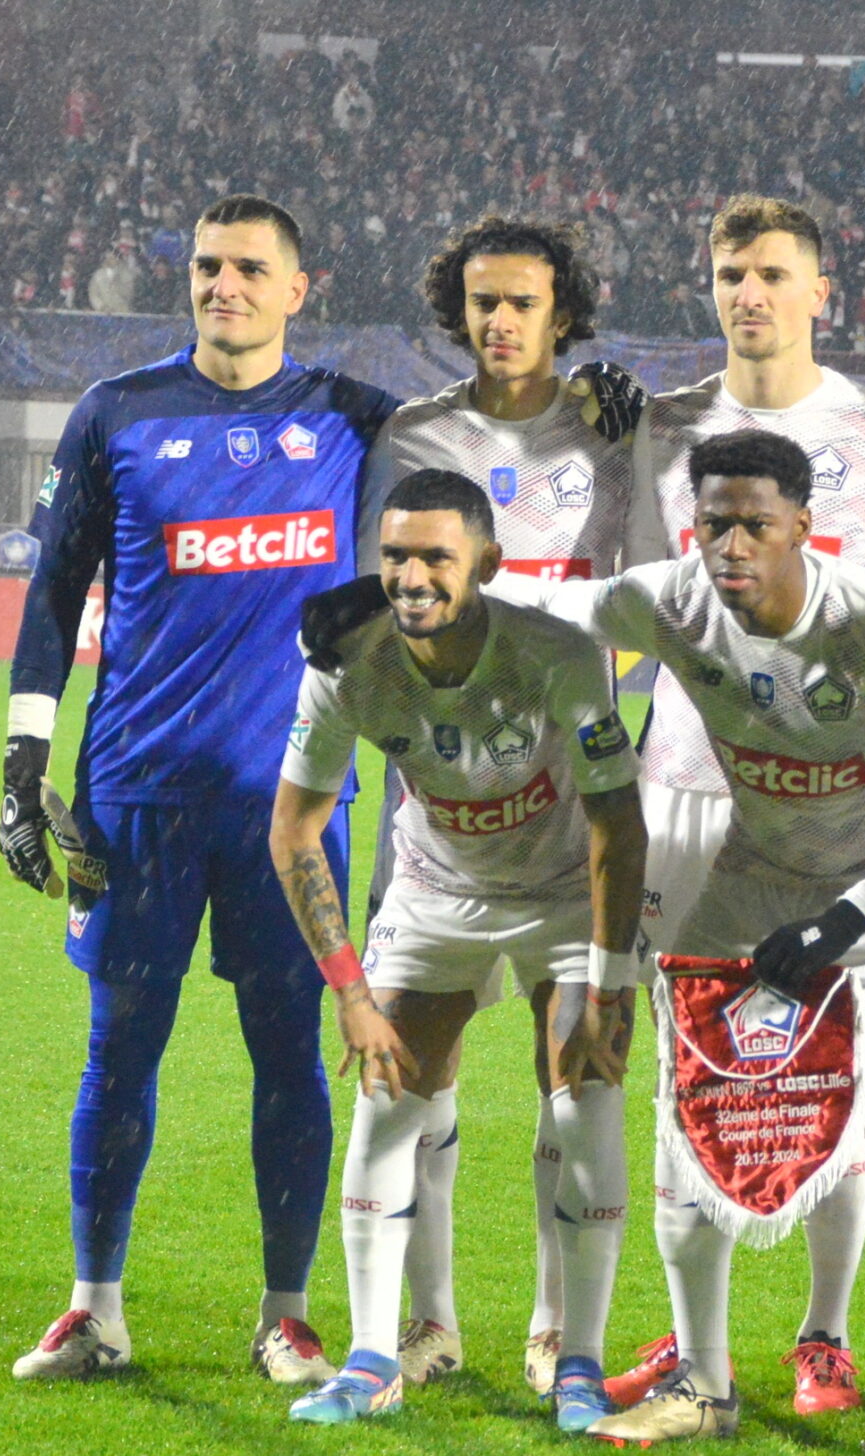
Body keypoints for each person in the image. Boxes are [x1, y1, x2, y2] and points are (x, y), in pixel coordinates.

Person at [0, 194, 397, 1384]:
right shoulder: (115, 412)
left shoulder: (357, 417)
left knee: (289, 1053)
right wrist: (21, 764)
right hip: (136, 797)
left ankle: (287, 1314)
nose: (224, 285)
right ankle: (95, 1311)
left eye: (250, 269)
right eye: (207, 266)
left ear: (298, 288)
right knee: (119, 1050)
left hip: (293, 806)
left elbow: (503, 429)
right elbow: (51, 595)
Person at [543, 430, 865, 1456]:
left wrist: (848, 918)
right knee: (690, 1103)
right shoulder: (670, 602)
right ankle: (704, 1379)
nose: (731, 545)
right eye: (714, 523)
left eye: (756, 525)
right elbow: (546, 605)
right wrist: (394, 597)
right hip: (757, 873)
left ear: (802, 528)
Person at [612, 197, 865, 1422]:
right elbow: (625, 601)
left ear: (820, 290)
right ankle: (695, 1339)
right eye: (728, 274)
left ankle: (826, 1335)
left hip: (840, 812)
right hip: (685, 793)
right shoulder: (660, 429)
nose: (747, 294)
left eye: (770, 273)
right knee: (697, 1067)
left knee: (835, 1074)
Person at [271, 468, 645, 1432]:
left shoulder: (556, 654)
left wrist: (610, 984)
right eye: (395, 556)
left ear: (488, 562)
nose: (411, 577)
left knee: (587, 1103)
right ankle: (370, 1360)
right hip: (436, 891)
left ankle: (577, 1357)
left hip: (562, 889)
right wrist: (350, 991)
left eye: (436, 557)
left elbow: (617, 821)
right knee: (385, 1101)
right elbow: (295, 828)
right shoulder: (346, 662)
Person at [362, 214, 644, 1395]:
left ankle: (550, 1327)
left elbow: (647, 596)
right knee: (412, 1077)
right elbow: (380, 597)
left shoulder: (614, 434)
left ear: (563, 311)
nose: (500, 320)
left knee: (572, 1069)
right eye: (482, 301)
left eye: (523, 300)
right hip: (442, 811)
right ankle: (427, 1324)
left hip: (571, 808)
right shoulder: (418, 436)